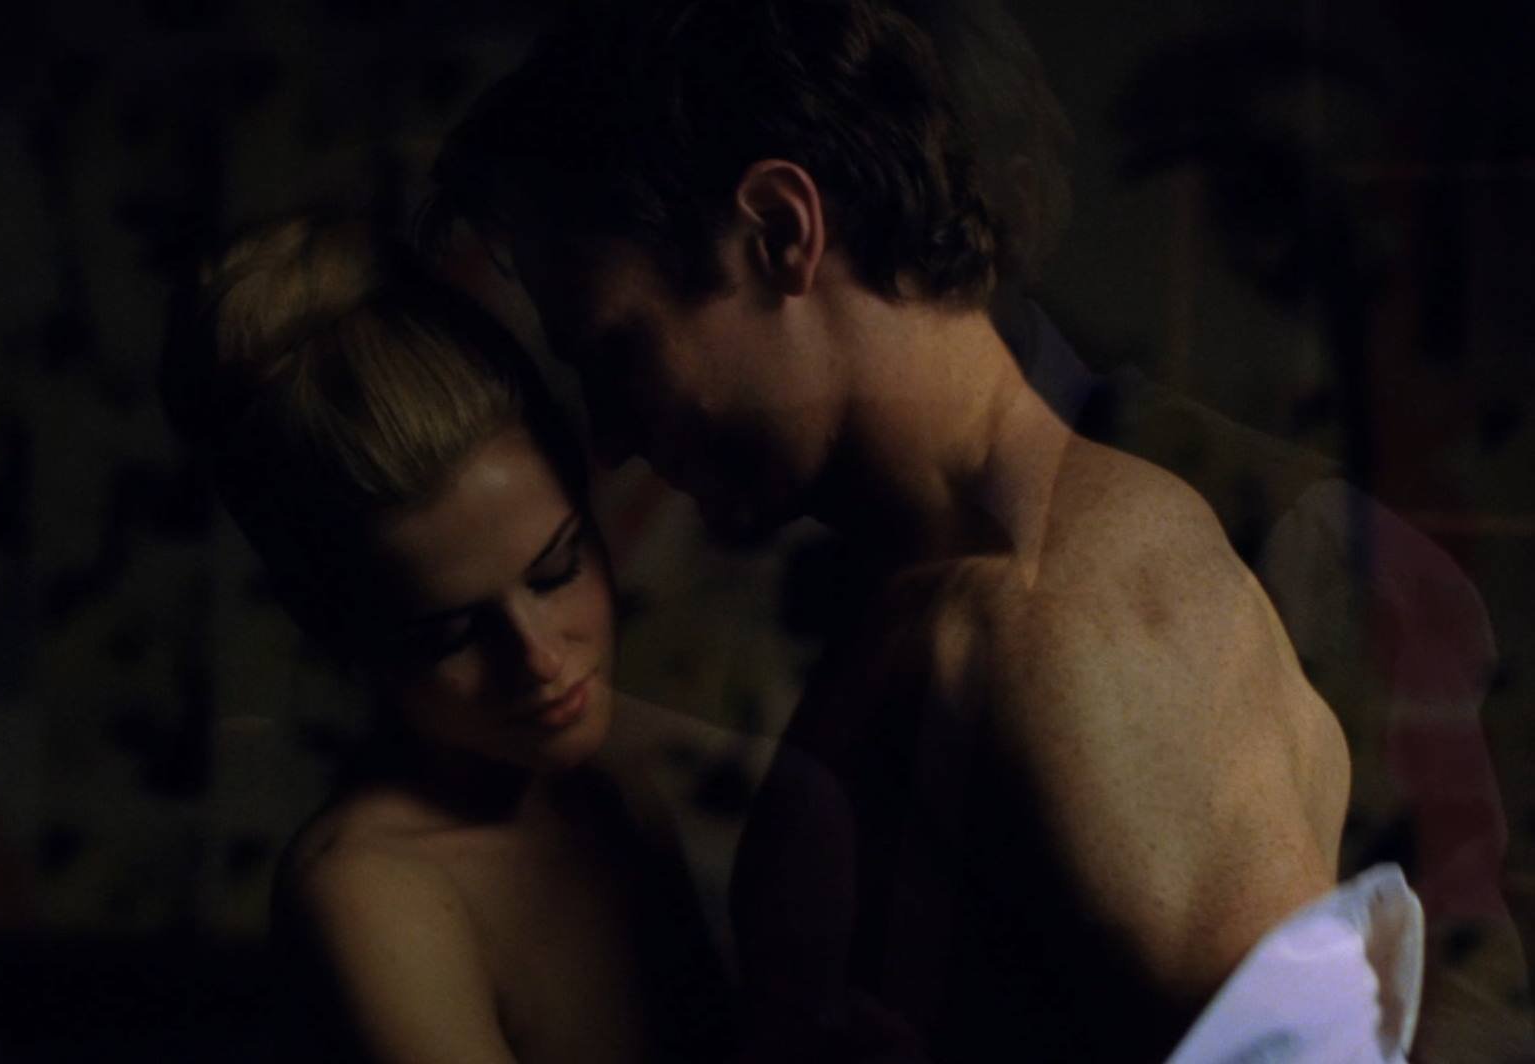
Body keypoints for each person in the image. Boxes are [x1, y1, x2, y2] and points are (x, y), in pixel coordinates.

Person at [423, 1, 1421, 1058]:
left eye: (618, 352)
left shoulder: (1060, 617)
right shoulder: (949, 583)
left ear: (778, 232)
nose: (612, 436)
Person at [160, 214, 733, 1062]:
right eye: (452, 633)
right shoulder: (371, 896)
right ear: (340, 627)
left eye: (556, 569)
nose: (540, 658)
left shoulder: (609, 796)